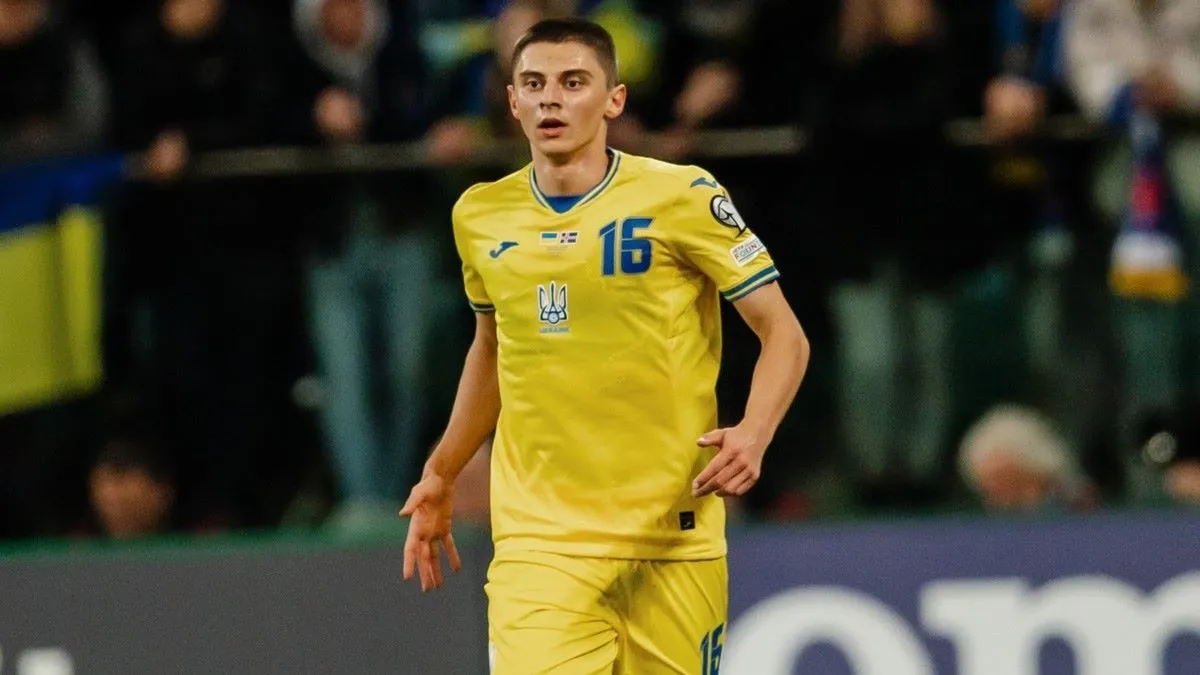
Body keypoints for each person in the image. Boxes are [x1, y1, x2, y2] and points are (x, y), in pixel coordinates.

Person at [399, 17, 810, 674]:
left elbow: (783, 333)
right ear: (512, 101)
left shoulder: (682, 195)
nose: (551, 99)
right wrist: (442, 471)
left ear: (614, 99)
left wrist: (755, 431)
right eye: (534, 84)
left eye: (573, 82)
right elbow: (493, 350)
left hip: (673, 538)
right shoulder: (480, 214)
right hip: (543, 544)